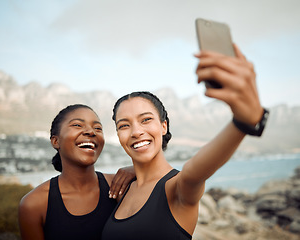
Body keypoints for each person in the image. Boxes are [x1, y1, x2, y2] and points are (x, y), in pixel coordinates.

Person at [102, 45, 269, 239]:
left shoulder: (178, 187)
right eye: (124, 125)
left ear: (163, 126)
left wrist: (243, 123)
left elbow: (194, 171)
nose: (136, 131)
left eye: (146, 120)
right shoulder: (121, 188)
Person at [18, 104, 135, 240]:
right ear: (56, 141)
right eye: (77, 125)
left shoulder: (120, 185)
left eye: (97, 128)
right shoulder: (33, 204)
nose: (91, 132)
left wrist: (138, 170)